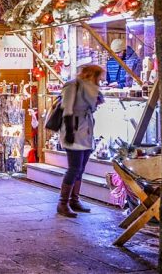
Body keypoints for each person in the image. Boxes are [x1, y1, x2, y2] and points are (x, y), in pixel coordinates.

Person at [57, 64, 104, 218]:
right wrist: (70, 131)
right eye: (98, 76)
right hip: (74, 130)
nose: (100, 80)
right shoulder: (72, 85)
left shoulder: (90, 88)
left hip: (87, 130)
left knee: (81, 168)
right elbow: (67, 108)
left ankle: (74, 200)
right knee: (74, 167)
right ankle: (63, 203)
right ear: (91, 74)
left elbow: (91, 107)